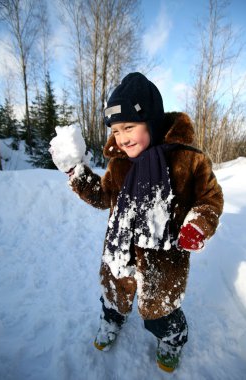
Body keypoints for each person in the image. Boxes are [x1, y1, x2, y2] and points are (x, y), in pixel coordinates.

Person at [51, 72, 223, 373]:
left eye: (129, 126)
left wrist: (198, 222)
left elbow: (210, 197)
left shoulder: (187, 160)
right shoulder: (119, 163)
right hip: (119, 256)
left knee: (161, 312)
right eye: (116, 130)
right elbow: (104, 196)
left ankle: (172, 338)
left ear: (152, 121)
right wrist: (76, 173)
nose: (122, 137)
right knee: (113, 297)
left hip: (163, 264)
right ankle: (111, 320)